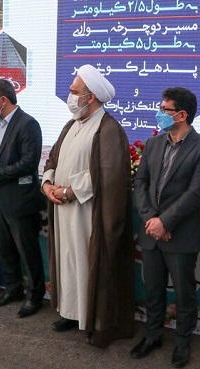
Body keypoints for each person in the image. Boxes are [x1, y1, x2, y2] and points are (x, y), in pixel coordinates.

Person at [42, 64, 134, 347]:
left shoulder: (108, 128)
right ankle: (70, 313)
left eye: (74, 91)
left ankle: (90, 318)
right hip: (62, 209)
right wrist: (47, 184)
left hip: (87, 213)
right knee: (68, 262)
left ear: (90, 96)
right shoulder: (71, 125)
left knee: (86, 263)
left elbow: (107, 174)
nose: (70, 96)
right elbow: (53, 159)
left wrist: (68, 192)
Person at [131, 87, 200, 368]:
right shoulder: (153, 144)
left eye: (164, 109)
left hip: (181, 234)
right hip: (151, 232)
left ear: (181, 115)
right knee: (153, 289)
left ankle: (182, 342)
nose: (159, 113)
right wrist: (151, 219)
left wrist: (165, 222)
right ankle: (152, 335)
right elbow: (141, 183)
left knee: (184, 293)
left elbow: (195, 194)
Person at [0, 79, 46, 318]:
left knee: (28, 252)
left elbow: (28, 163)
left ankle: (35, 296)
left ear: (2, 100)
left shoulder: (27, 124)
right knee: (5, 249)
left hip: (19, 199)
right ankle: (13, 289)